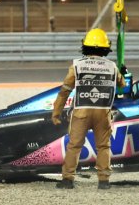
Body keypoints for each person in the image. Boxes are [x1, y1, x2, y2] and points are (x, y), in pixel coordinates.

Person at [50, 28, 126, 190]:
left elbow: (64, 91)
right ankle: (104, 181)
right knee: (103, 147)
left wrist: (56, 113)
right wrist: (123, 72)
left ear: (85, 46)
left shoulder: (77, 65)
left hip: (81, 112)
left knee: (74, 145)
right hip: (103, 112)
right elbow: (122, 86)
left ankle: (68, 180)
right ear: (106, 48)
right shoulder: (112, 67)